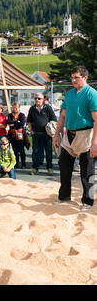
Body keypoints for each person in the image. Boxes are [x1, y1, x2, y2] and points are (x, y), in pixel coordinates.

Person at [53, 66, 97, 211]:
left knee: (87, 172)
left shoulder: (92, 94)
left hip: (86, 135)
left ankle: (88, 201)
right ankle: (64, 196)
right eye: (71, 77)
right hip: (68, 135)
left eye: (76, 77)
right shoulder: (70, 93)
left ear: (85, 77)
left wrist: (95, 142)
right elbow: (63, 116)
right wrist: (56, 135)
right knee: (64, 167)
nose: (73, 80)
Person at [27, 93, 57, 175]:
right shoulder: (32, 109)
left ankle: (49, 167)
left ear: (43, 99)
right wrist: (31, 130)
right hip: (36, 134)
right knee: (35, 152)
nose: (37, 100)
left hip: (47, 135)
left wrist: (50, 127)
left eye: (39, 98)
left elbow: (54, 119)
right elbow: (29, 121)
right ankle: (35, 168)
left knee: (48, 152)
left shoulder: (48, 108)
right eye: (35, 98)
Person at [7, 102, 27, 169]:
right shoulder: (10, 115)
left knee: (21, 150)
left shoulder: (22, 115)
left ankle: (23, 163)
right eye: (13, 107)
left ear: (19, 108)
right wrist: (17, 122)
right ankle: (16, 163)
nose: (15, 109)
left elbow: (22, 123)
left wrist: (14, 124)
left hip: (20, 134)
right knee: (14, 150)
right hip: (12, 135)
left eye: (16, 107)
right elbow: (9, 122)